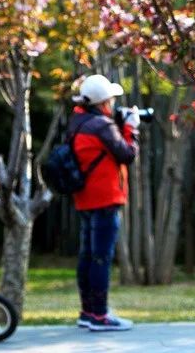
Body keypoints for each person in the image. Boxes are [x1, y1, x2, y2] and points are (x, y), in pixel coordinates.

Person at [70, 74, 139, 332]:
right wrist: (132, 128)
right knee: (101, 258)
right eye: (110, 99)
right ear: (102, 102)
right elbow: (127, 153)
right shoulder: (101, 125)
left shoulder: (78, 121)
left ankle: (88, 311)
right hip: (105, 199)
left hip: (85, 199)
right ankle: (100, 316)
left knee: (88, 256)